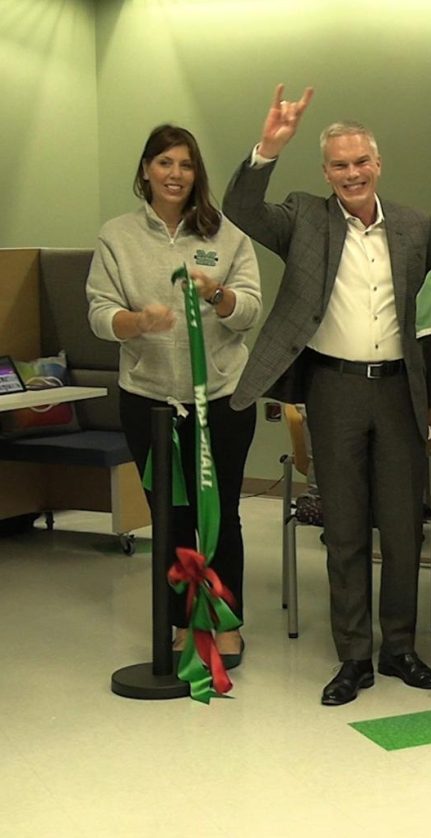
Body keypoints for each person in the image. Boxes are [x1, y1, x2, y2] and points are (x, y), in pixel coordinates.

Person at [223, 86, 431, 706]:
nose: (351, 173)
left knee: (403, 530)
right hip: (333, 390)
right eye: (339, 165)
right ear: (326, 172)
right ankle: (354, 657)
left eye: (361, 163)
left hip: (401, 391)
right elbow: (241, 207)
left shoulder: (415, 227)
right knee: (345, 529)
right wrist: (269, 147)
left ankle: (398, 648)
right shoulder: (303, 218)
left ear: (378, 166)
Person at [87, 124, 262, 667]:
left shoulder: (227, 235)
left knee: (221, 512)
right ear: (145, 170)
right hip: (150, 401)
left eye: (185, 165)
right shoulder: (116, 236)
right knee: (171, 516)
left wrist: (220, 295)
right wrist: (135, 322)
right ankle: (183, 620)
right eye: (164, 163)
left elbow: (252, 310)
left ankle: (225, 622)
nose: (175, 175)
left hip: (223, 400)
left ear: (196, 174)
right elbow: (97, 313)